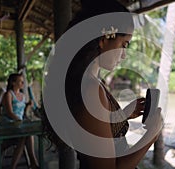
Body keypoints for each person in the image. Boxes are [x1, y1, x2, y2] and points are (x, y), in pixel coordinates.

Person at [45, 0, 163, 169]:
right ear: (104, 38)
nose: (123, 55)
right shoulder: (90, 89)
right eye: (124, 44)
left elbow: (94, 129)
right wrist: (152, 134)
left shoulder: (87, 81)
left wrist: (123, 115)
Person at [0, 73, 39, 169]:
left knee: (26, 135)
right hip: (8, 123)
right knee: (26, 134)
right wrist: (21, 121)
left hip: (18, 124)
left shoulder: (22, 95)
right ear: (13, 83)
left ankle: (28, 163)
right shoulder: (8, 94)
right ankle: (33, 162)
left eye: (23, 81)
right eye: (20, 81)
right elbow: (10, 112)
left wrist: (28, 107)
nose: (22, 83)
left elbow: (22, 113)